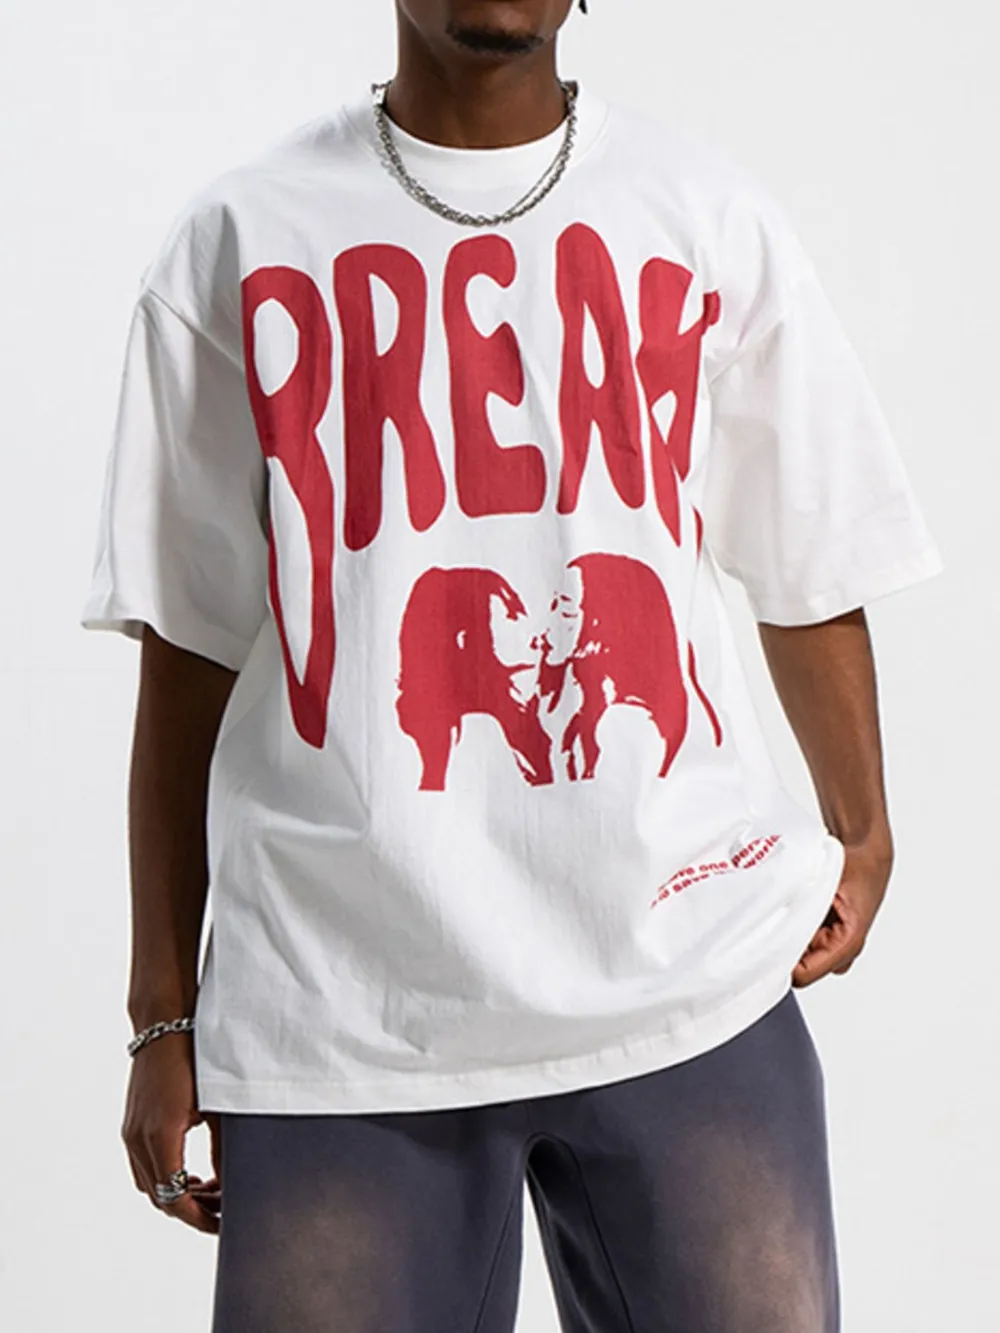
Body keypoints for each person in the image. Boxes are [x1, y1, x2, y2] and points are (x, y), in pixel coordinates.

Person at [79, 2, 943, 1329]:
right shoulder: (240, 243)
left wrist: (864, 829)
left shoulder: (703, 216)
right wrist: (160, 1014)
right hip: (345, 1015)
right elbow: (186, 651)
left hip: (683, 983)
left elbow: (811, 553)